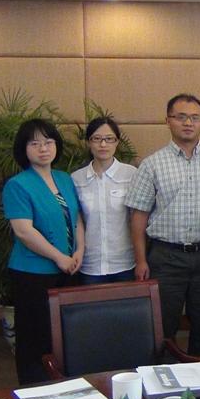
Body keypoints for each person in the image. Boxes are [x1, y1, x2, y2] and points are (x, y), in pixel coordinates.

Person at [124, 93, 200, 360]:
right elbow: (138, 216)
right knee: (162, 328)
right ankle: (163, 382)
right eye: (181, 117)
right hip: (165, 258)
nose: (188, 123)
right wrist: (141, 260)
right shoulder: (152, 164)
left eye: (195, 118)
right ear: (168, 120)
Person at [2, 118, 84, 384]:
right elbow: (24, 231)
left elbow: (76, 217)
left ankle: (65, 389)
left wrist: (80, 250)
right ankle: (34, 390)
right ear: (23, 149)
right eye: (34, 144)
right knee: (35, 339)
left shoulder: (64, 179)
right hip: (33, 273)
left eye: (48, 142)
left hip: (69, 269)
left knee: (66, 336)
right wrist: (58, 257)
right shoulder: (18, 184)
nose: (43, 149)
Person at [71, 117, 137, 284]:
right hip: (90, 264)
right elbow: (77, 221)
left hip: (125, 263)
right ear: (88, 142)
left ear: (117, 142)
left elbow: (138, 219)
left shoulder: (131, 175)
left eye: (109, 139)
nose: (103, 144)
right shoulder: (76, 179)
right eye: (97, 139)